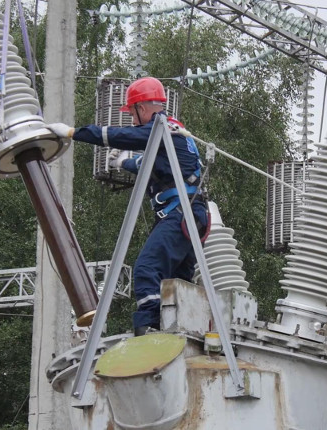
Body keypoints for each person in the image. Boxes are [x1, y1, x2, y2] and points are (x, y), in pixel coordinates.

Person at [46, 77, 208, 336]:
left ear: (141, 108)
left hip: (181, 215)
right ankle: (185, 329)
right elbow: (154, 165)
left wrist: (74, 133)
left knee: (147, 268)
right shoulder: (174, 134)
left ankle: (149, 328)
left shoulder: (161, 127)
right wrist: (123, 163)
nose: (132, 120)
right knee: (176, 281)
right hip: (190, 216)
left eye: (132, 114)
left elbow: (121, 136)